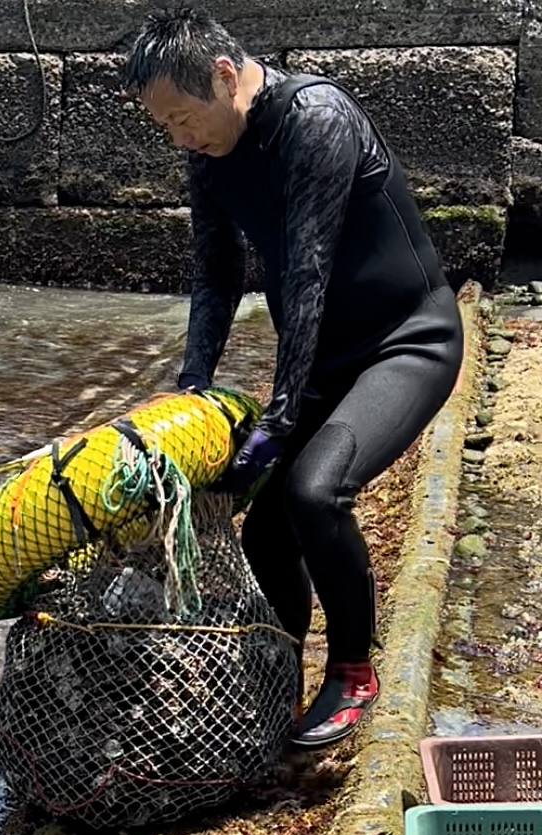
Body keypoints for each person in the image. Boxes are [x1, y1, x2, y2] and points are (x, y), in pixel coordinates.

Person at [122, 6, 465, 749]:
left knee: (315, 491)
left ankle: (352, 671)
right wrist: (192, 386)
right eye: (167, 127)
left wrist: (280, 417)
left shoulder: (317, 118)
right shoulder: (210, 152)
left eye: (184, 118)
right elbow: (215, 274)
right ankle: (276, 673)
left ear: (222, 75)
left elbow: (305, 268)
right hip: (326, 360)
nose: (181, 137)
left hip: (406, 342)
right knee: (268, 529)